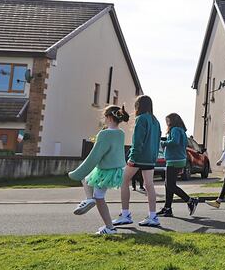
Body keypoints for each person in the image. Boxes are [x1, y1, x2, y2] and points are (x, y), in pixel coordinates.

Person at [69, 105, 128, 235]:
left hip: (105, 170)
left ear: (109, 117)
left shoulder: (104, 133)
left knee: (98, 196)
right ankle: (90, 200)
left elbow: (95, 155)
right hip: (117, 169)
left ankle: (109, 227)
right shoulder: (120, 133)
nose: (104, 119)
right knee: (87, 180)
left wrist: (77, 172)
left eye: (105, 117)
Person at [114, 95, 162, 227]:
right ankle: (153, 216)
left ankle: (125, 215)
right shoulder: (155, 120)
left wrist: (132, 158)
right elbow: (158, 140)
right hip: (151, 158)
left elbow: (137, 141)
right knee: (149, 185)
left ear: (139, 106)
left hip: (139, 157)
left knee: (123, 181)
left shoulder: (141, 119)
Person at [157, 113, 199, 218]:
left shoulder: (175, 129)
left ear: (173, 121)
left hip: (174, 160)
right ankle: (167, 208)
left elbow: (174, 142)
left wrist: (164, 143)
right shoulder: (181, 130)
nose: (167, 123)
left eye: (168, 121)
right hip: (178, 159)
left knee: (170, 185)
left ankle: (190, 200)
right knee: (168, 185)